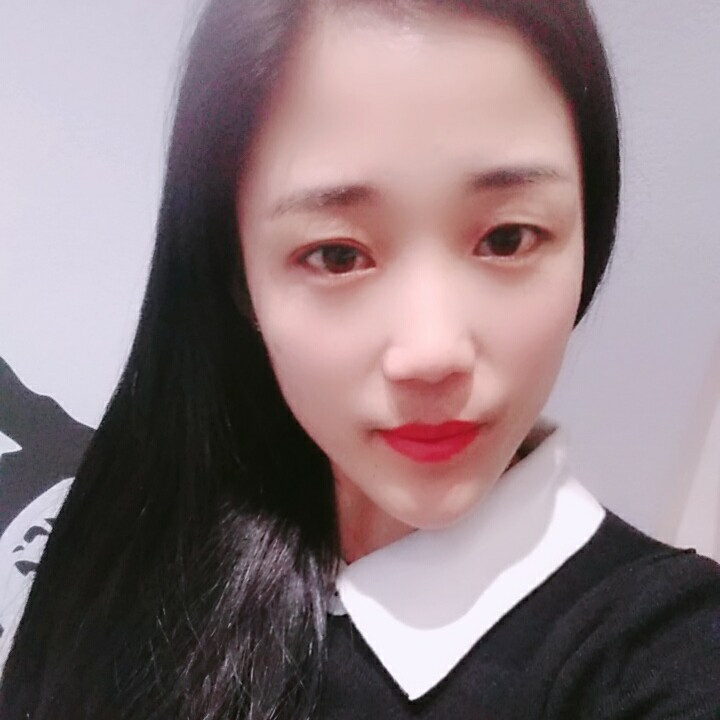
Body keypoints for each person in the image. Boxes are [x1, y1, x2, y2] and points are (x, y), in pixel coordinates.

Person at [1, 0, 718, 717]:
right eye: (338, 254)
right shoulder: (138, 531)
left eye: (507, 239)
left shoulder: (658, 651)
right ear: (238, 274)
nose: (432, 353)